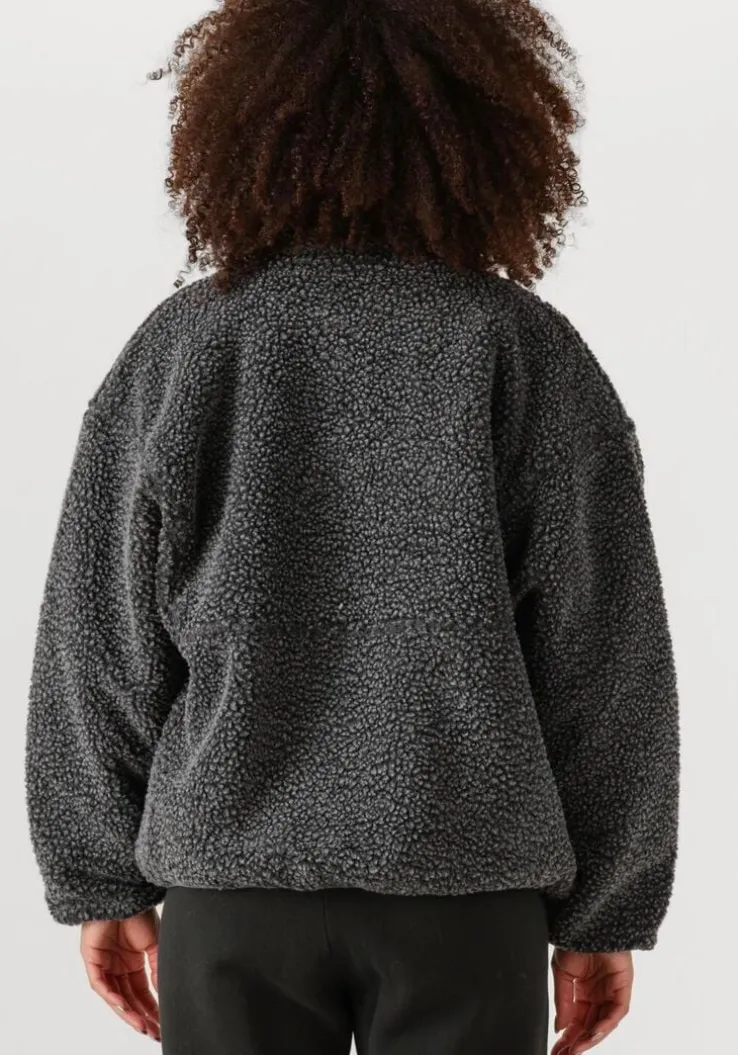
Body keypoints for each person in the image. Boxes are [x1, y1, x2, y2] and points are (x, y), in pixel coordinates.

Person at [24, 2, 680, 1054]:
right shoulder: (526, 353)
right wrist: (607, 912)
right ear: (490, 132)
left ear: (241, 129)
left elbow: (94, 641)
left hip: (232, 899)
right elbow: (607, 663)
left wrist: (97, 875)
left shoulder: (184, 350)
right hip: (468, 902)